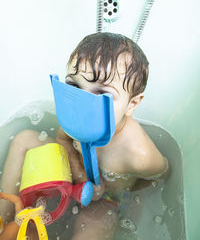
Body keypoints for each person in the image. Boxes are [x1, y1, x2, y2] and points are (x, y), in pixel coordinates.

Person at [0, 33, 169, 240]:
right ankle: (3, 219)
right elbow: (63, 139)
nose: (84, 104)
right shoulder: (74, 115)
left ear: (132, 104)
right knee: (24, 139)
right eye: (75, 87)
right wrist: (79, 173)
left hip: (107, 198)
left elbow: (160, 176)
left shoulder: (138, 153)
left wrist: (131, 206)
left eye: (101, 95)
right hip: (72, 174)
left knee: (95, 224)